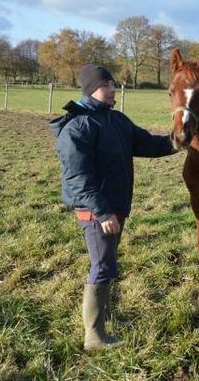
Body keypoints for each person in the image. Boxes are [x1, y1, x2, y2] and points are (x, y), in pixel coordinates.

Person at [49, 64, 175, 351]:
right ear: (93, 88)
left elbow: (149, 144)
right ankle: (93, 336)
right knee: (103, 266)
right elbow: (78, 178)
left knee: (108, 262)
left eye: (112, 84)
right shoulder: (78, 127)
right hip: (97, 210)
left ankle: (103, 319)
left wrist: (178, 141)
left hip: (115, 206)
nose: (113, 88)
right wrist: (103, 213)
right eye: (107, 84)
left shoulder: (116, 120)